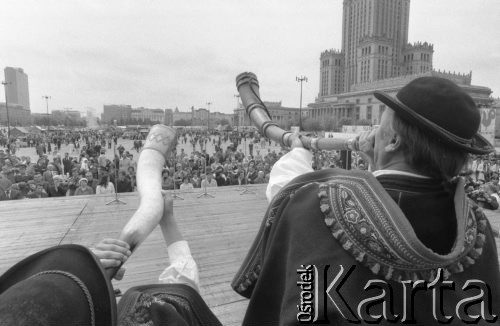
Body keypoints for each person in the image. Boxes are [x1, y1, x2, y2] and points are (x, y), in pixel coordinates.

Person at [233, 77, 500, 325]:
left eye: (380, 124)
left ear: (394, 139)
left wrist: (298, 155)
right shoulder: (476, 226)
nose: (373, 132)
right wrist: (377, 167)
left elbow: (288, 202)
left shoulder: (316, 203)